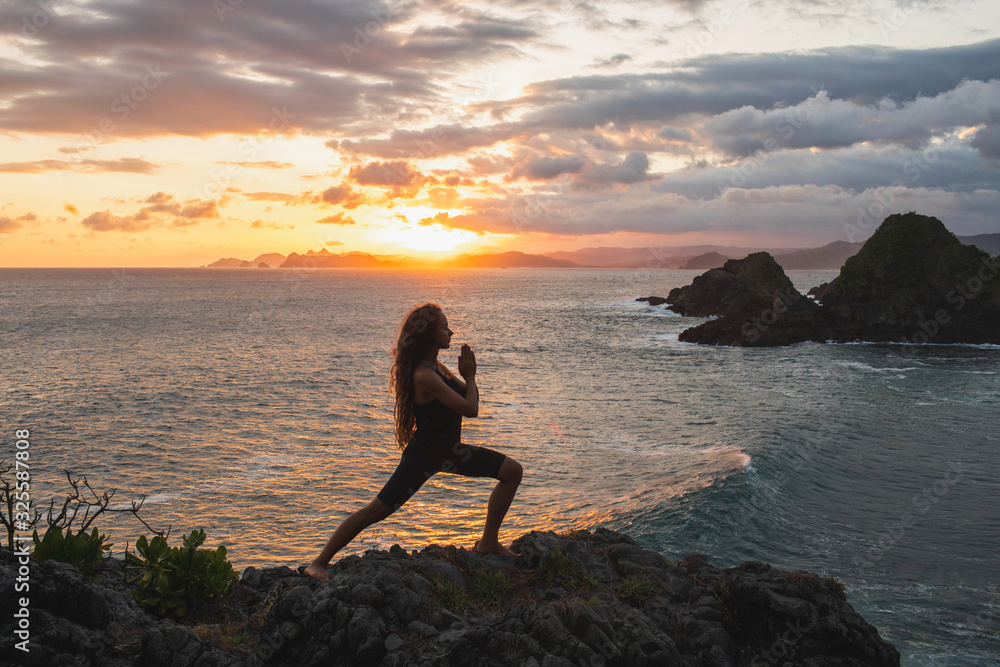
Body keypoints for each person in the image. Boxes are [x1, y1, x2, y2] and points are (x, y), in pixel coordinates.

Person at [304, 303, 523, 582]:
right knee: (376, 511)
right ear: (429, 334)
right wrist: (470, 375)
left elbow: (468, 397)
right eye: (444, 327)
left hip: (451, 452)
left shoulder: (437, 367)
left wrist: (469, 378)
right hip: (424, 457)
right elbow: (471, 409)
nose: (451, 331)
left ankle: (488, 542)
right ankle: (318, 563)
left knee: (512, 472)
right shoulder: (425, 375)